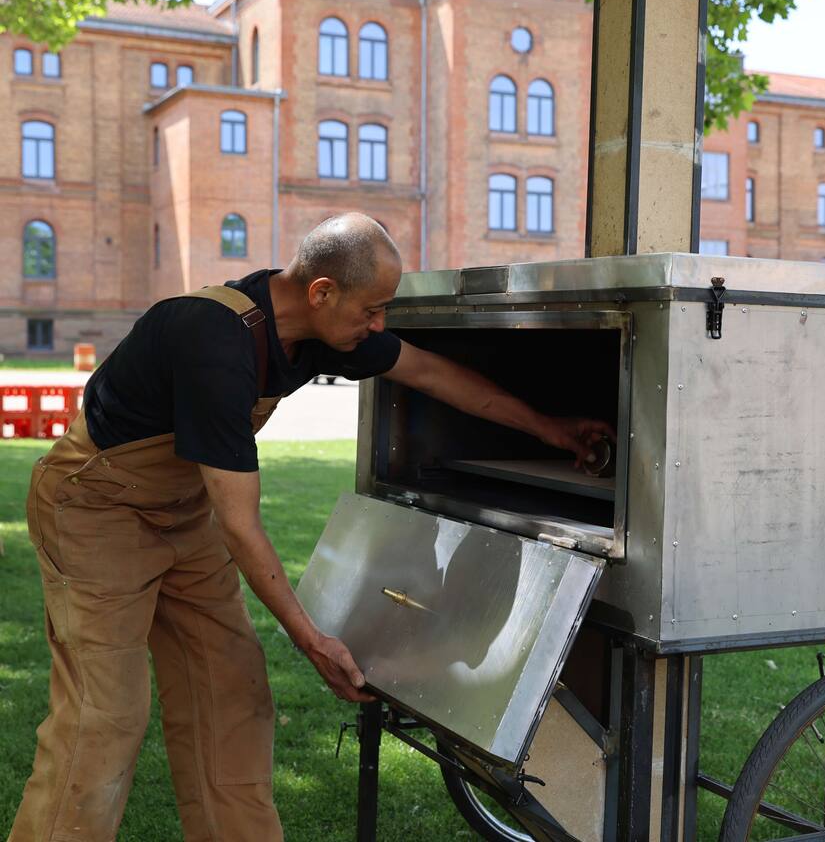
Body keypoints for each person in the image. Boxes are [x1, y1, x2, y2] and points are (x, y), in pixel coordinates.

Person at [8, 213, 611, 842]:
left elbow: (432, 374)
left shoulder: (324, 332)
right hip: (96, 510)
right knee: (103, 718)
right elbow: (241, 526)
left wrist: (550, 429)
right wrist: (312, 639)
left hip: (184, 513)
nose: (380, 326)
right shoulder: (214, 342)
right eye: (373, 310)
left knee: (232, 697)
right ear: (321, 291)